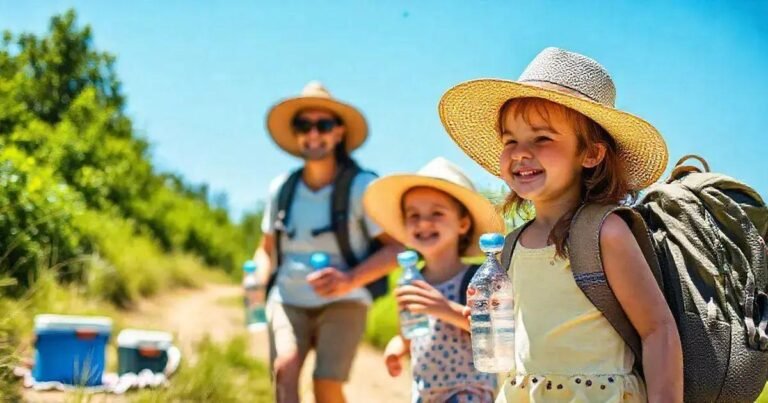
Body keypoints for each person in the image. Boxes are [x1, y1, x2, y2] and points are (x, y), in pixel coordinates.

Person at [438, 48, 683, 402]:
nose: (520, 152)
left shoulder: (605, 233)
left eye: (542, 138)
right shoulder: (509, 246)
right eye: (510, 140)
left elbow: (658, 330)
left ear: (591, 154)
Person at [252, 81, 401, 403]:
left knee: (326, 385)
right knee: (284, 370)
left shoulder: (362, 186)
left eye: (324, 124)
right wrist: (255, 279)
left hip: (346, 300)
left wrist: (349, 279)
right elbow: (266, 251)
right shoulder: (282, 188)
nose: (313, 133)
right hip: (288, 298)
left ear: (339, 133)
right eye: (303, 125)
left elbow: (398, 249)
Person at [364, 157, 504, 403]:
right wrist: (396, 350)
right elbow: (406, 333)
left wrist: (442, 308)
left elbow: (491, 334)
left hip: (467, 391)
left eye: (436, 213)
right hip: (425, 394)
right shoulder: (410, 281)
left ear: (463, 224)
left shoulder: (476, 278)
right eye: (414, 215)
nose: (424, 222)